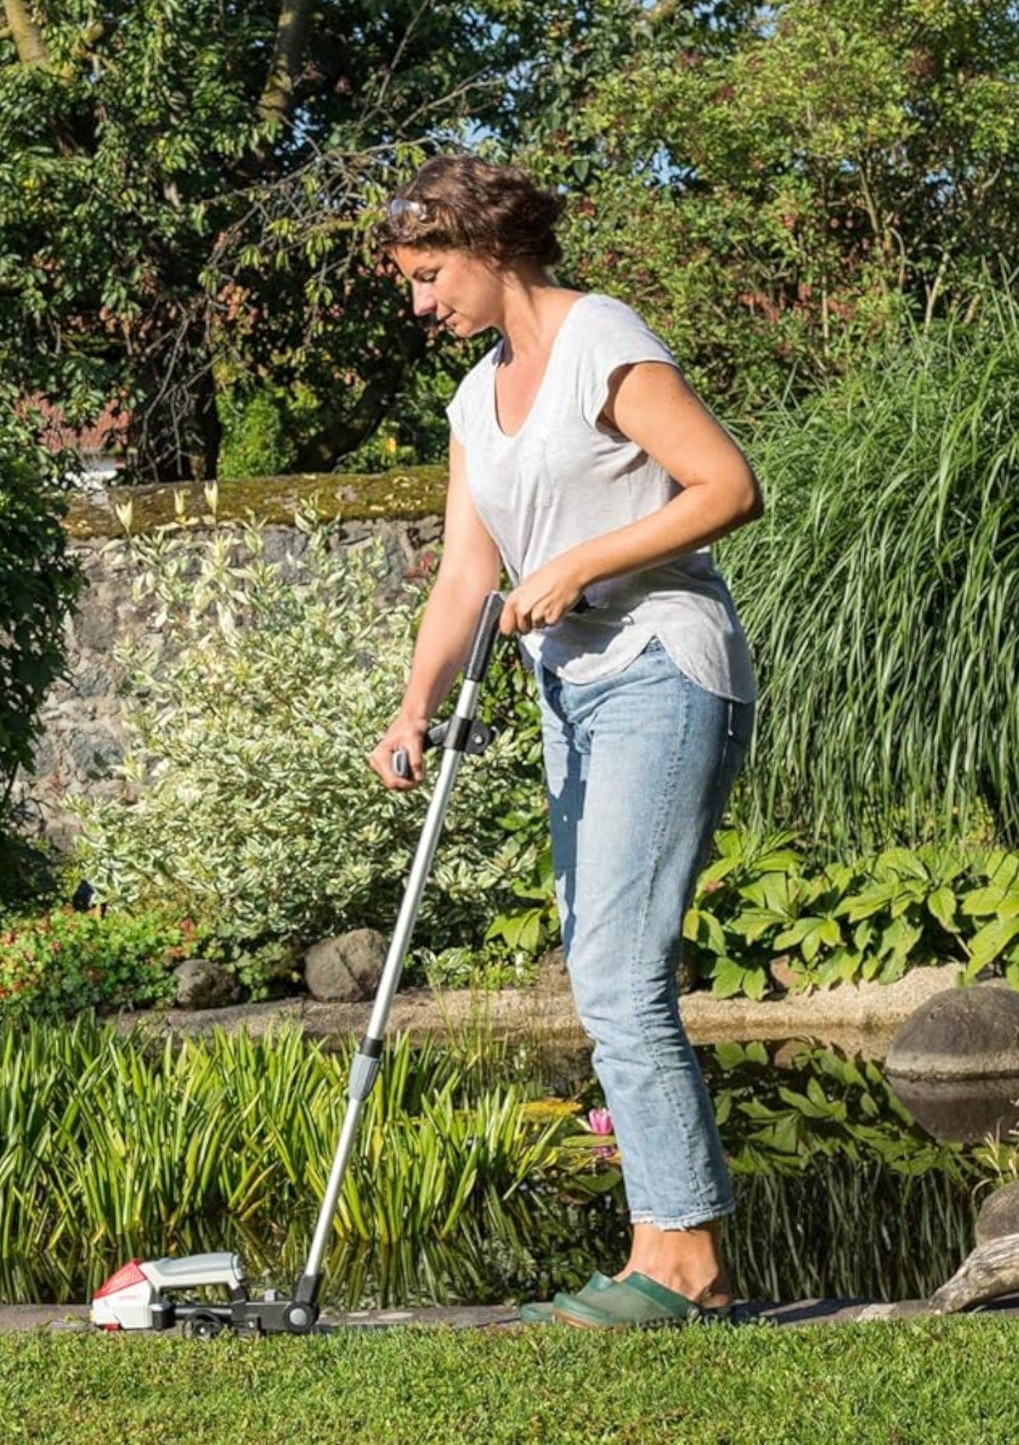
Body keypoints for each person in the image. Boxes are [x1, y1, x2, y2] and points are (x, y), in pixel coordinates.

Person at [369, 154, 762, 1330]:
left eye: (429, 274)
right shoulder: (471, 400)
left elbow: (725, 485)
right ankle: (663, 1248)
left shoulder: (601, 339)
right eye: (408, 281)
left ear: (491, 248)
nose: (419, 301)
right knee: (599, 967)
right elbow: (464, 575)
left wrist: (581, 563)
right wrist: (412, 705)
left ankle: (683, 1264)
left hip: (658, 661)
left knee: (616, 968)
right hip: (568, 691)